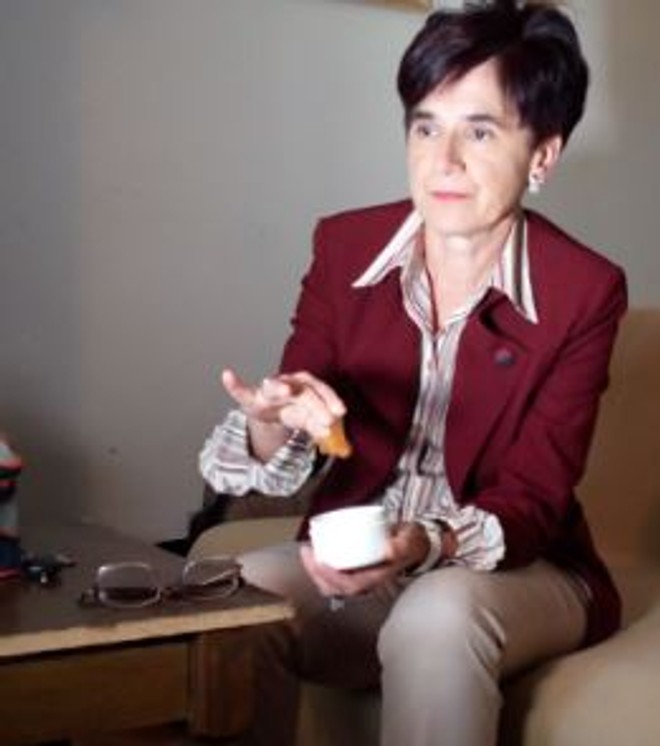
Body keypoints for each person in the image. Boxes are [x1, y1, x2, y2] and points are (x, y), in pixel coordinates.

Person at [199, 2, 627, 744]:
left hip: (518, 564)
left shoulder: (584, 291)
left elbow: (534, 497)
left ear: (543, 155)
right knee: (236, 601)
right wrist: (272, 419)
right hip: (363, 553)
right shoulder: (344, 247)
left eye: (480, 131)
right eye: (426, 127)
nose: (443, 160)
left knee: (437, 614)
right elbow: (304, 412)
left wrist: (425, 543)